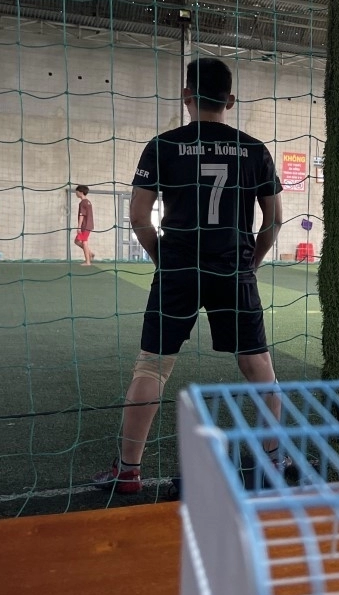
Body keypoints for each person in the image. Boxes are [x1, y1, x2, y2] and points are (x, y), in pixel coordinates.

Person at [94, 58, 283, 493]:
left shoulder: (162, 145)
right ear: (230, 100)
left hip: (178, 268)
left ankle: (128, 470)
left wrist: (163, 258)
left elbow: (138, 216)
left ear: (186, 96)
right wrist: (251, 263)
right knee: (258, 365)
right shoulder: (255, 150)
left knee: (152, 366)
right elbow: (274, 220)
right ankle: (274, 458)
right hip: (232, 268)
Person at [74, 185, 96, 266]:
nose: (76, 193)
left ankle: (88, 262)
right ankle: (90, 253)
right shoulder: (88, 202)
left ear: (81, 192)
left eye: (76, 192)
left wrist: (79, 227)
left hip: (85, 226)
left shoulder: (82, 203)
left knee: (84, 242)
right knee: (77, 241)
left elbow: (82, 215)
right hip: (89, 225)